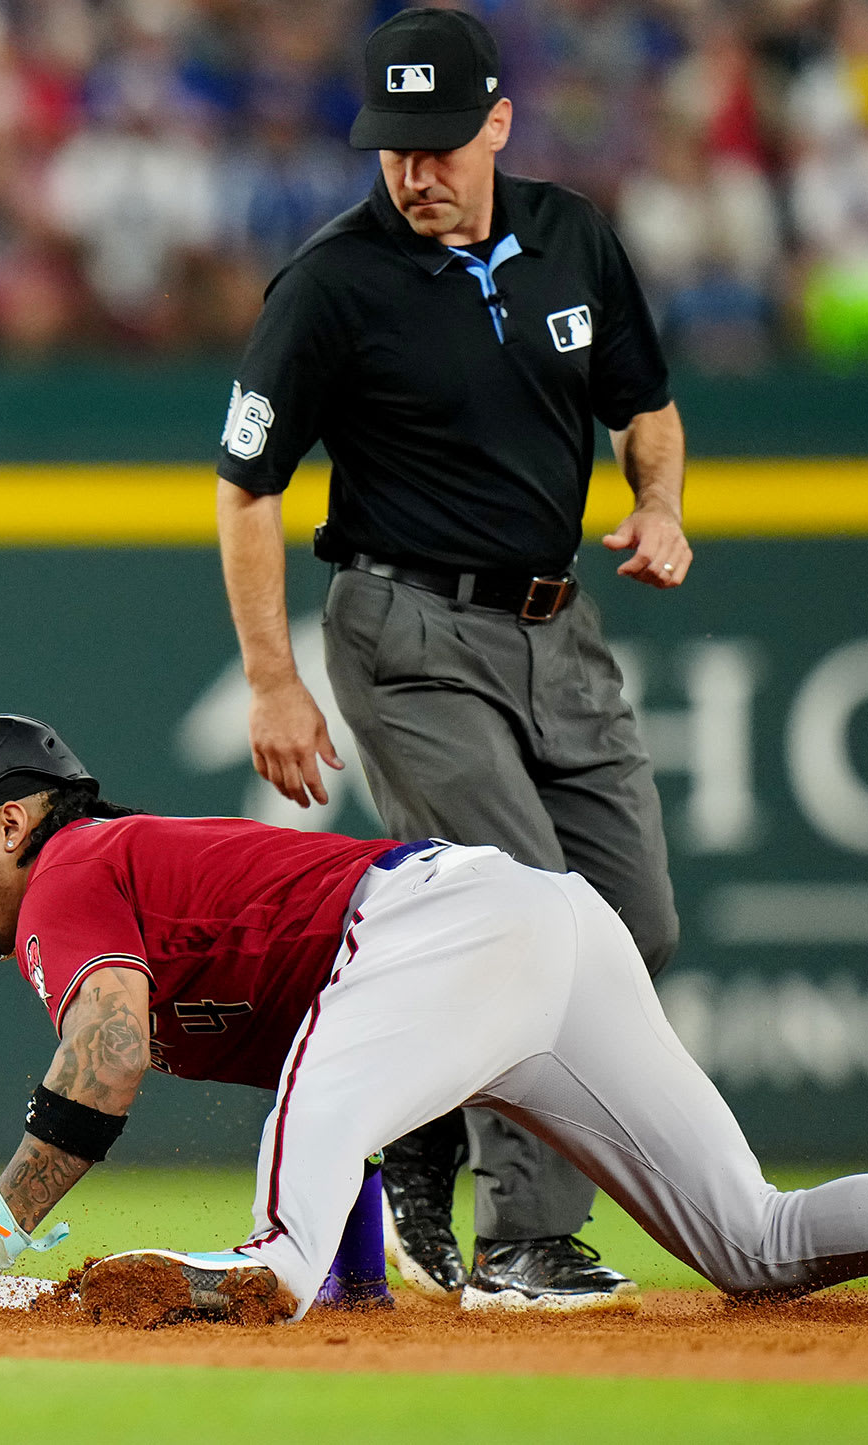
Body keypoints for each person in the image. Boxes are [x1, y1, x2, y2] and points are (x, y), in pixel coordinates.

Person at [0, 715, 868, 1326]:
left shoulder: (69, 872)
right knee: (758, 1242)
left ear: (13, 817)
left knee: (276, 1262)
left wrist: (2, 1215)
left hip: (444, 927)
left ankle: (278, 1265)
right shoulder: (120, 890)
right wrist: (373, 1244)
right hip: (526, 935)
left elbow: (113, 1040)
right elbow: (351, 1067)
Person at [212, 7, 687, 1312]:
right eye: (391, 146)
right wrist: (270, 676)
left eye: (437, 142)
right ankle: (526, 1240)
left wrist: (662, 505)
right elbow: (247, 484)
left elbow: (646, 410)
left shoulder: (574, 237)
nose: (414, 171)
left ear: (497, 122)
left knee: (635, 921)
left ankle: (416, 1120)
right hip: (404, 627)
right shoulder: (328, 283)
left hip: (561, 629)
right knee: (533, 911)